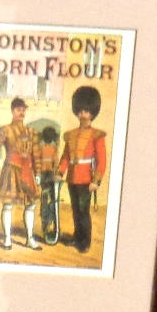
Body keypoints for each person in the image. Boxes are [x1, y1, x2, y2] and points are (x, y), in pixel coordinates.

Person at [0, 98, 42, 250]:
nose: (21, 112)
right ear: (12, 111)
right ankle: (8, 239)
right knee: (8, 205)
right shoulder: (5, 130)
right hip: (11, 170)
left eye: (23, 110)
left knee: (31, 205)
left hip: (28, 172)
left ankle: (29, 239)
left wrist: (38, 173)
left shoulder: (31, 131)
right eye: (18, 109)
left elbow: (35, 153)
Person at [62, 84, 108, 254]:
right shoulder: (71, 135)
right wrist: (60, 172)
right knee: (75, 210)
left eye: (87, 110)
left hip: (86, 179)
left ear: (92, 112)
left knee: (83, 211)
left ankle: (85, 241)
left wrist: (96, 181)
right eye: (80, 110)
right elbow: (66, 156)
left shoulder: (97, 135)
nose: (83, 114)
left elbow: (101, 161)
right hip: (72, 178)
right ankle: (76, 236)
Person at [35, 125, 64, 245]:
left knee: (45, 199)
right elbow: (56, 164)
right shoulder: (53, 150)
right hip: (50, 176)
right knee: (53, 201)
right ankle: (51, 224)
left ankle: (45, 226)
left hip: (43, 177)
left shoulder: (41, 149)